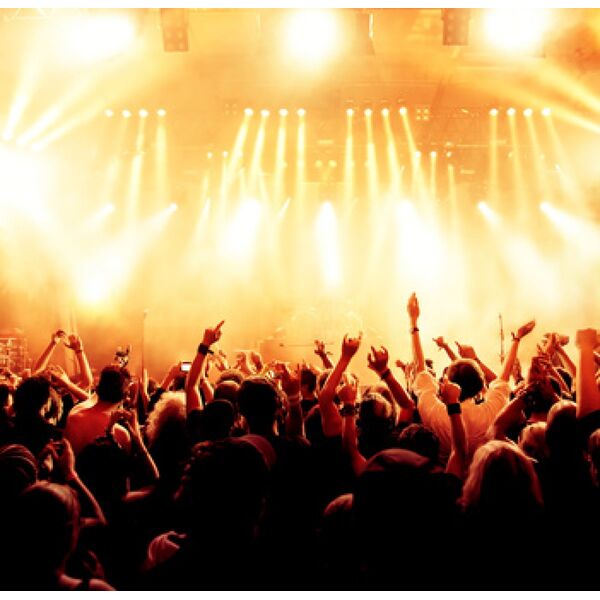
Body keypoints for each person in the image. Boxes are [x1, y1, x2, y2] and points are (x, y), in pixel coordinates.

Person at [64, 365, 130, 455]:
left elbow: (65, 458)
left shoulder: (74, 417)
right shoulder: (122, 435)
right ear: (125, 396)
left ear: (97, 388)